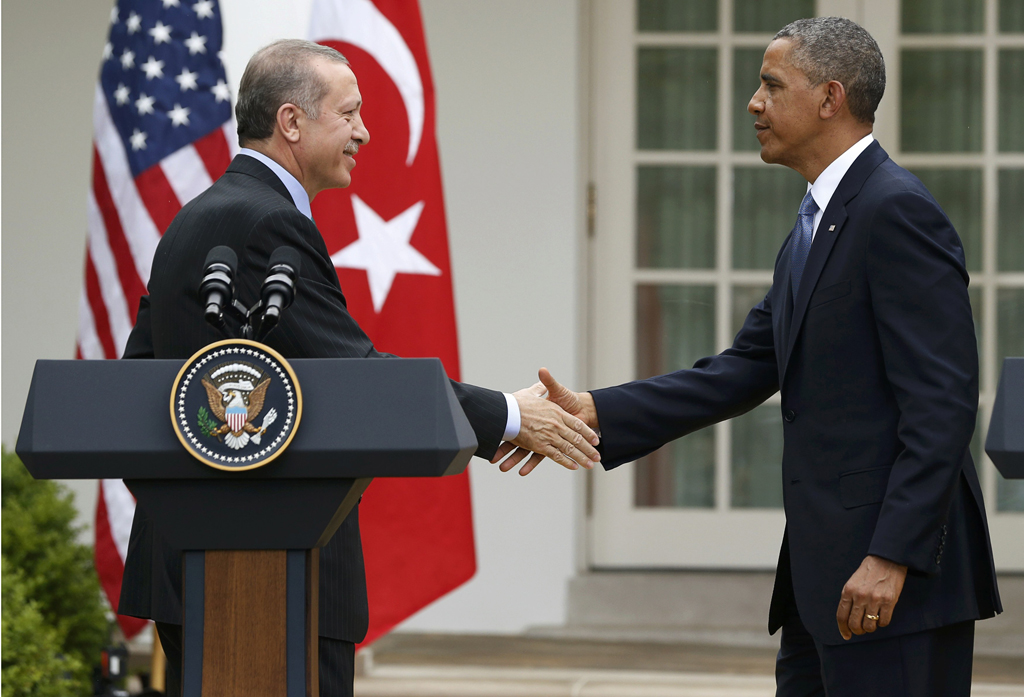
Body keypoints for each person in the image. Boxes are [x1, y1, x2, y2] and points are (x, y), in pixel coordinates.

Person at [507, 17, 1002, 696]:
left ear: (830, 98)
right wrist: (596, 409)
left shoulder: (895, 212)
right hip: (822, 581)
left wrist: (892, 554)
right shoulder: (817, 218)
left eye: (772, 84)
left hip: (890, 583)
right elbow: (744, 366)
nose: (754, 102)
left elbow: (943, 402)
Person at [118, 39, 599, 697]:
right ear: (292, 122)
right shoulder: (267, 225)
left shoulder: (199, 218)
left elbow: (139, 380)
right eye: (349, 114)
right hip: (270, 576)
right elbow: (360, 380)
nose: (364, 133)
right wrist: (511, 416)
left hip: (200, 566)